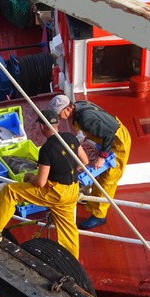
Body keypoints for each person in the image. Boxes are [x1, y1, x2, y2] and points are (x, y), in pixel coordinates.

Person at [0, 109, 88, 259]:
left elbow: (40, 182)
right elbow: (84, 162)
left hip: (55, 192)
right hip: (72, 190)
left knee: (11, 191)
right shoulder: (71, 137)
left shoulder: (47, 149)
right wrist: (64, 171)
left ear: (42, 126)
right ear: (57, 124)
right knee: (68, 229)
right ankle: (72, 260)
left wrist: (29, 176)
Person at [49, 94, 132, 230]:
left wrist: (102, 156)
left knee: (107, 180)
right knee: (98, 174)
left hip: (117, 142)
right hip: (107, 139)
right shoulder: (78, 106)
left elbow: (108, 135)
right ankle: (92, 198)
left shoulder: (84, 118)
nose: (59, 118)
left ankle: (99, 216)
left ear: (68, 109)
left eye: (59, 114)